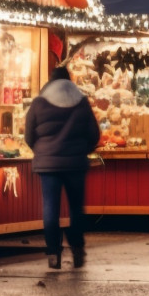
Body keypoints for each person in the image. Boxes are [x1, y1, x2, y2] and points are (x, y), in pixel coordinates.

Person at [24, 65, 100, 269]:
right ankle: (76, 249)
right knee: (76, 208)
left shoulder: (39, 103)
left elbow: (28, 136)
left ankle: (53, 253)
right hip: (75, 163)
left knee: (50, 208)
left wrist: (41, 151)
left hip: (48, 165)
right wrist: (83, 149)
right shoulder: (81, 102)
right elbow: (94, 134)